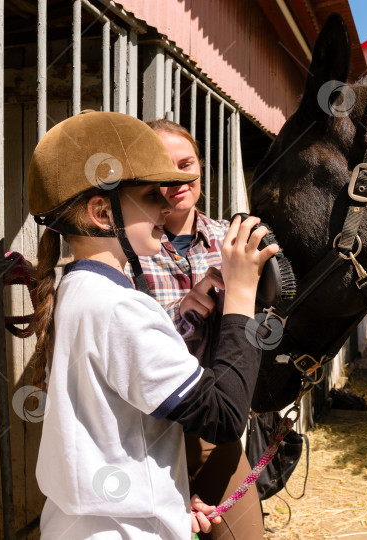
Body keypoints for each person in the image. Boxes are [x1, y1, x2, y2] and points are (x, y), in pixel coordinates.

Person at [27, 110, 278, 538]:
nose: (166, 204)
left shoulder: (76, 289)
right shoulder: (120, 307)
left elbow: (123, 435)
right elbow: (223, 417)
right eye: (149, 196)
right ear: (102, 213)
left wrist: (167, 497)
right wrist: (241, 295)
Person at [134, 118, 265, 539]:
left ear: (201, 166)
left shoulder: (231, 238)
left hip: (215, 421)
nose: (178, 181)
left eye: (186, 164)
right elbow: (124, 336)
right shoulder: (130, 247)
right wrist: (183, 311)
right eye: (163, 171)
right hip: (149, 431)